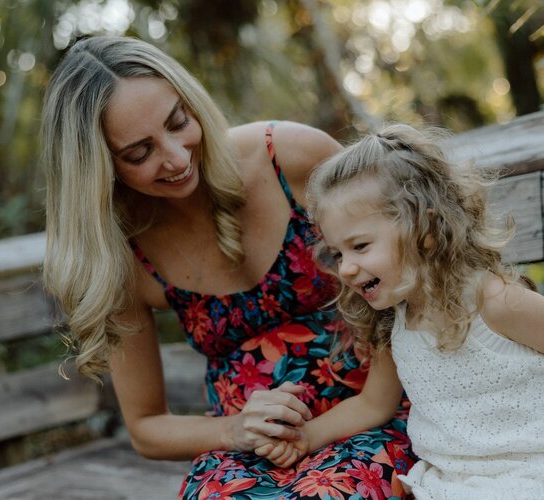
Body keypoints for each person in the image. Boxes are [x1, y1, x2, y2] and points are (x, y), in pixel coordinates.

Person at [41, 36, 415, 499]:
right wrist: (234, 431)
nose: (176, 158)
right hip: (249, 448)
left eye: (179, 122)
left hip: (373, 408)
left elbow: (410, 263)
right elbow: (145, 427)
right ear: (100, 168)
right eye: (139, 153)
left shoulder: (291, 157)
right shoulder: (123, 256)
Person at [254, 123, 544, 499]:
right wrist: (307, 435)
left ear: (424, 229)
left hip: (536, 474)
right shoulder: (396, 320)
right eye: (338, 253)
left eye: (360, 246)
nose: (345, 268)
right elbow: (373, 404)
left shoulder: (493, 300)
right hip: (453, 480)